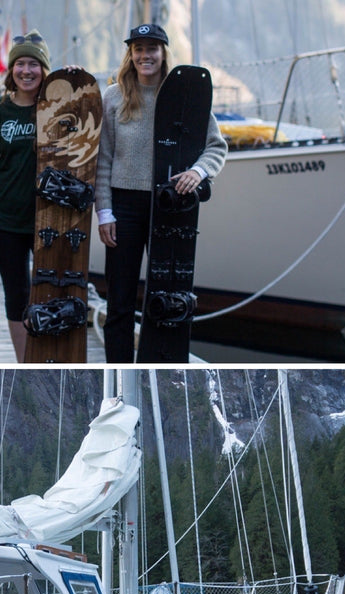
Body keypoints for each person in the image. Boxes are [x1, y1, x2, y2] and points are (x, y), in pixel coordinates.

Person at [95, 24, 227, 363]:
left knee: (166, 295)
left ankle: (159, 365)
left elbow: (216, 146)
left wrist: (199, 172)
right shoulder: (113, 96)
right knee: (120, 301)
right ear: (131, 54)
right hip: (123, 206)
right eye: (138, 48)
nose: (144, 55)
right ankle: (120, 370)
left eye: (151, 48)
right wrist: (105, 212)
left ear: (163, 52)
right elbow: (103, 159)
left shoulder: (184, 97)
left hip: (168, 207)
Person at [0, 31, 51, 361]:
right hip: (6, 216)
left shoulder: (56, 107)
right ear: (11, 70)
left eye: (34, 64)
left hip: (49, 216)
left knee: (49, 291)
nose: (26, 71)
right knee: (16, 294)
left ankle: (51, 354)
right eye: (20, 63)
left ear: (44, 70)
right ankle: (25, 361)